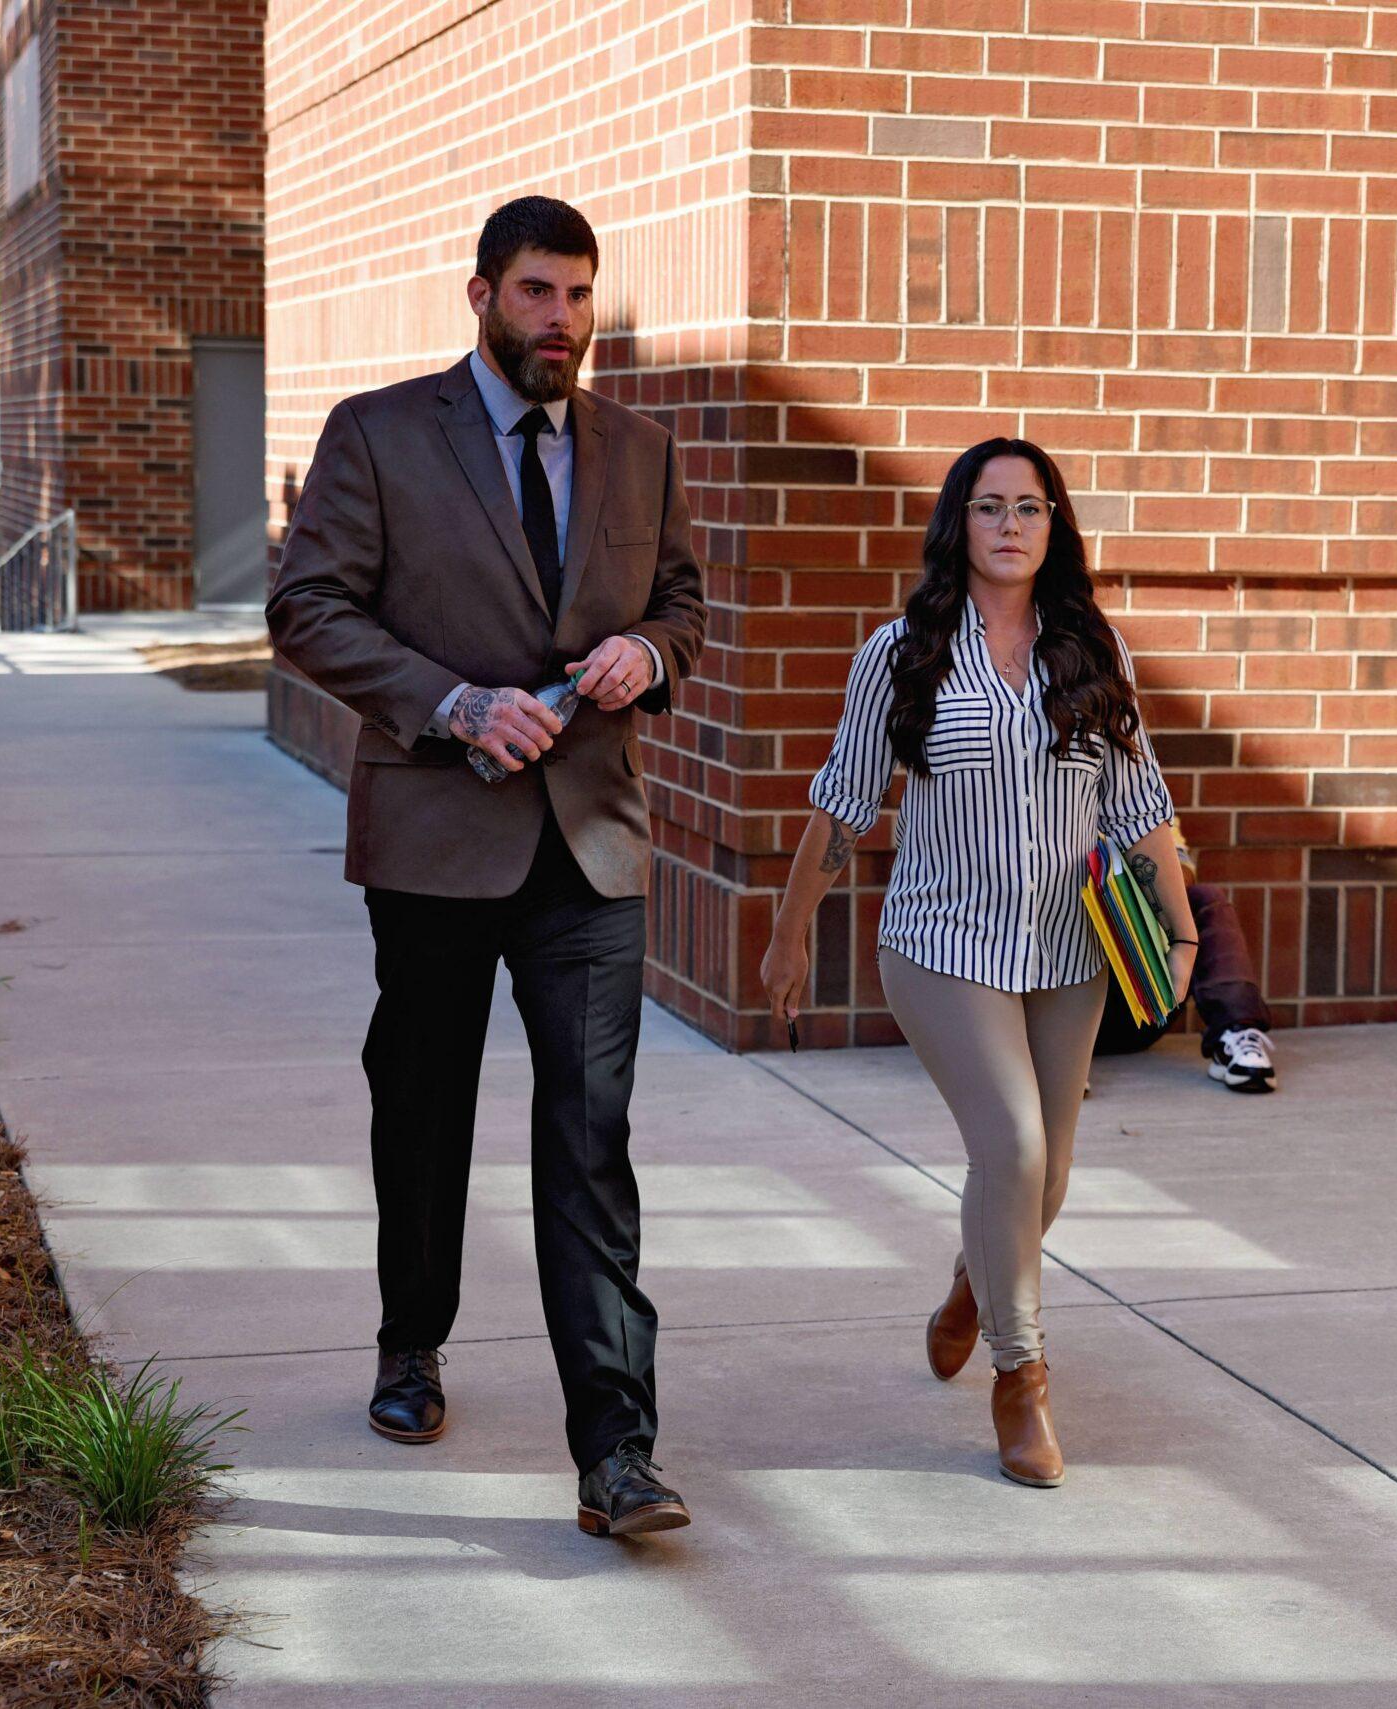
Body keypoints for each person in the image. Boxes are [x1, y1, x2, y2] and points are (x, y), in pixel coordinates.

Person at [267, 195, 707, 1538]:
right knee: (424, 1104)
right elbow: (305, 609)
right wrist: (454, 703)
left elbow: (682, 599)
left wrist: (653, 653)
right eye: (536, 293)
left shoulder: (639, 447)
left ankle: (617, 1453)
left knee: (590, 1140)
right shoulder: (381, 433)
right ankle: (412, 1343)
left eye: (578, 295)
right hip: (437, 836)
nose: (561, 321)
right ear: (480, 297)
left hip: (591, 843)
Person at [759, 438, 1192, 1490]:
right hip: (943, 941)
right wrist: (788, 928)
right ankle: (1021, 1376)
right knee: (1011, 1138)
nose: (1010, 525)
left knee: (1041, 1174)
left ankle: (975, 1283)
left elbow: (1140, 806)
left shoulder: (1092, 649)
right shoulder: (902, 651)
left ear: (1055, 527)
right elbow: (846, 799)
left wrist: (1181, 936)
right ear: (958, 521)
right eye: (990, 505)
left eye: (1030, 507)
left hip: (1069, 945)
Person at [1091, 821, 1278, 1093]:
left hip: (1142, 1007)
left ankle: (1237, 1030)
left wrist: (1131, 894)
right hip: (1059, 1015)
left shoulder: (1137, 791)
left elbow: (1182, 871)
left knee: (1204, 899)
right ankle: (1055, 1062)